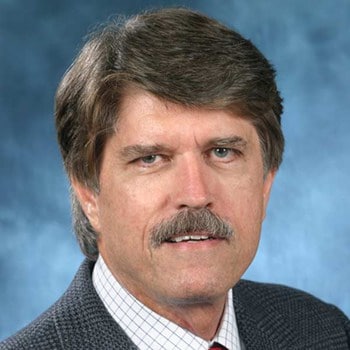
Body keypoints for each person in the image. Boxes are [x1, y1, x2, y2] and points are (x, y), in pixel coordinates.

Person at [1, 7, 349, 350]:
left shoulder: (325, 332)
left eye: (223, 152)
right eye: (151, 159)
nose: (195, 194)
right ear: (88, 192)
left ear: (265, 182)